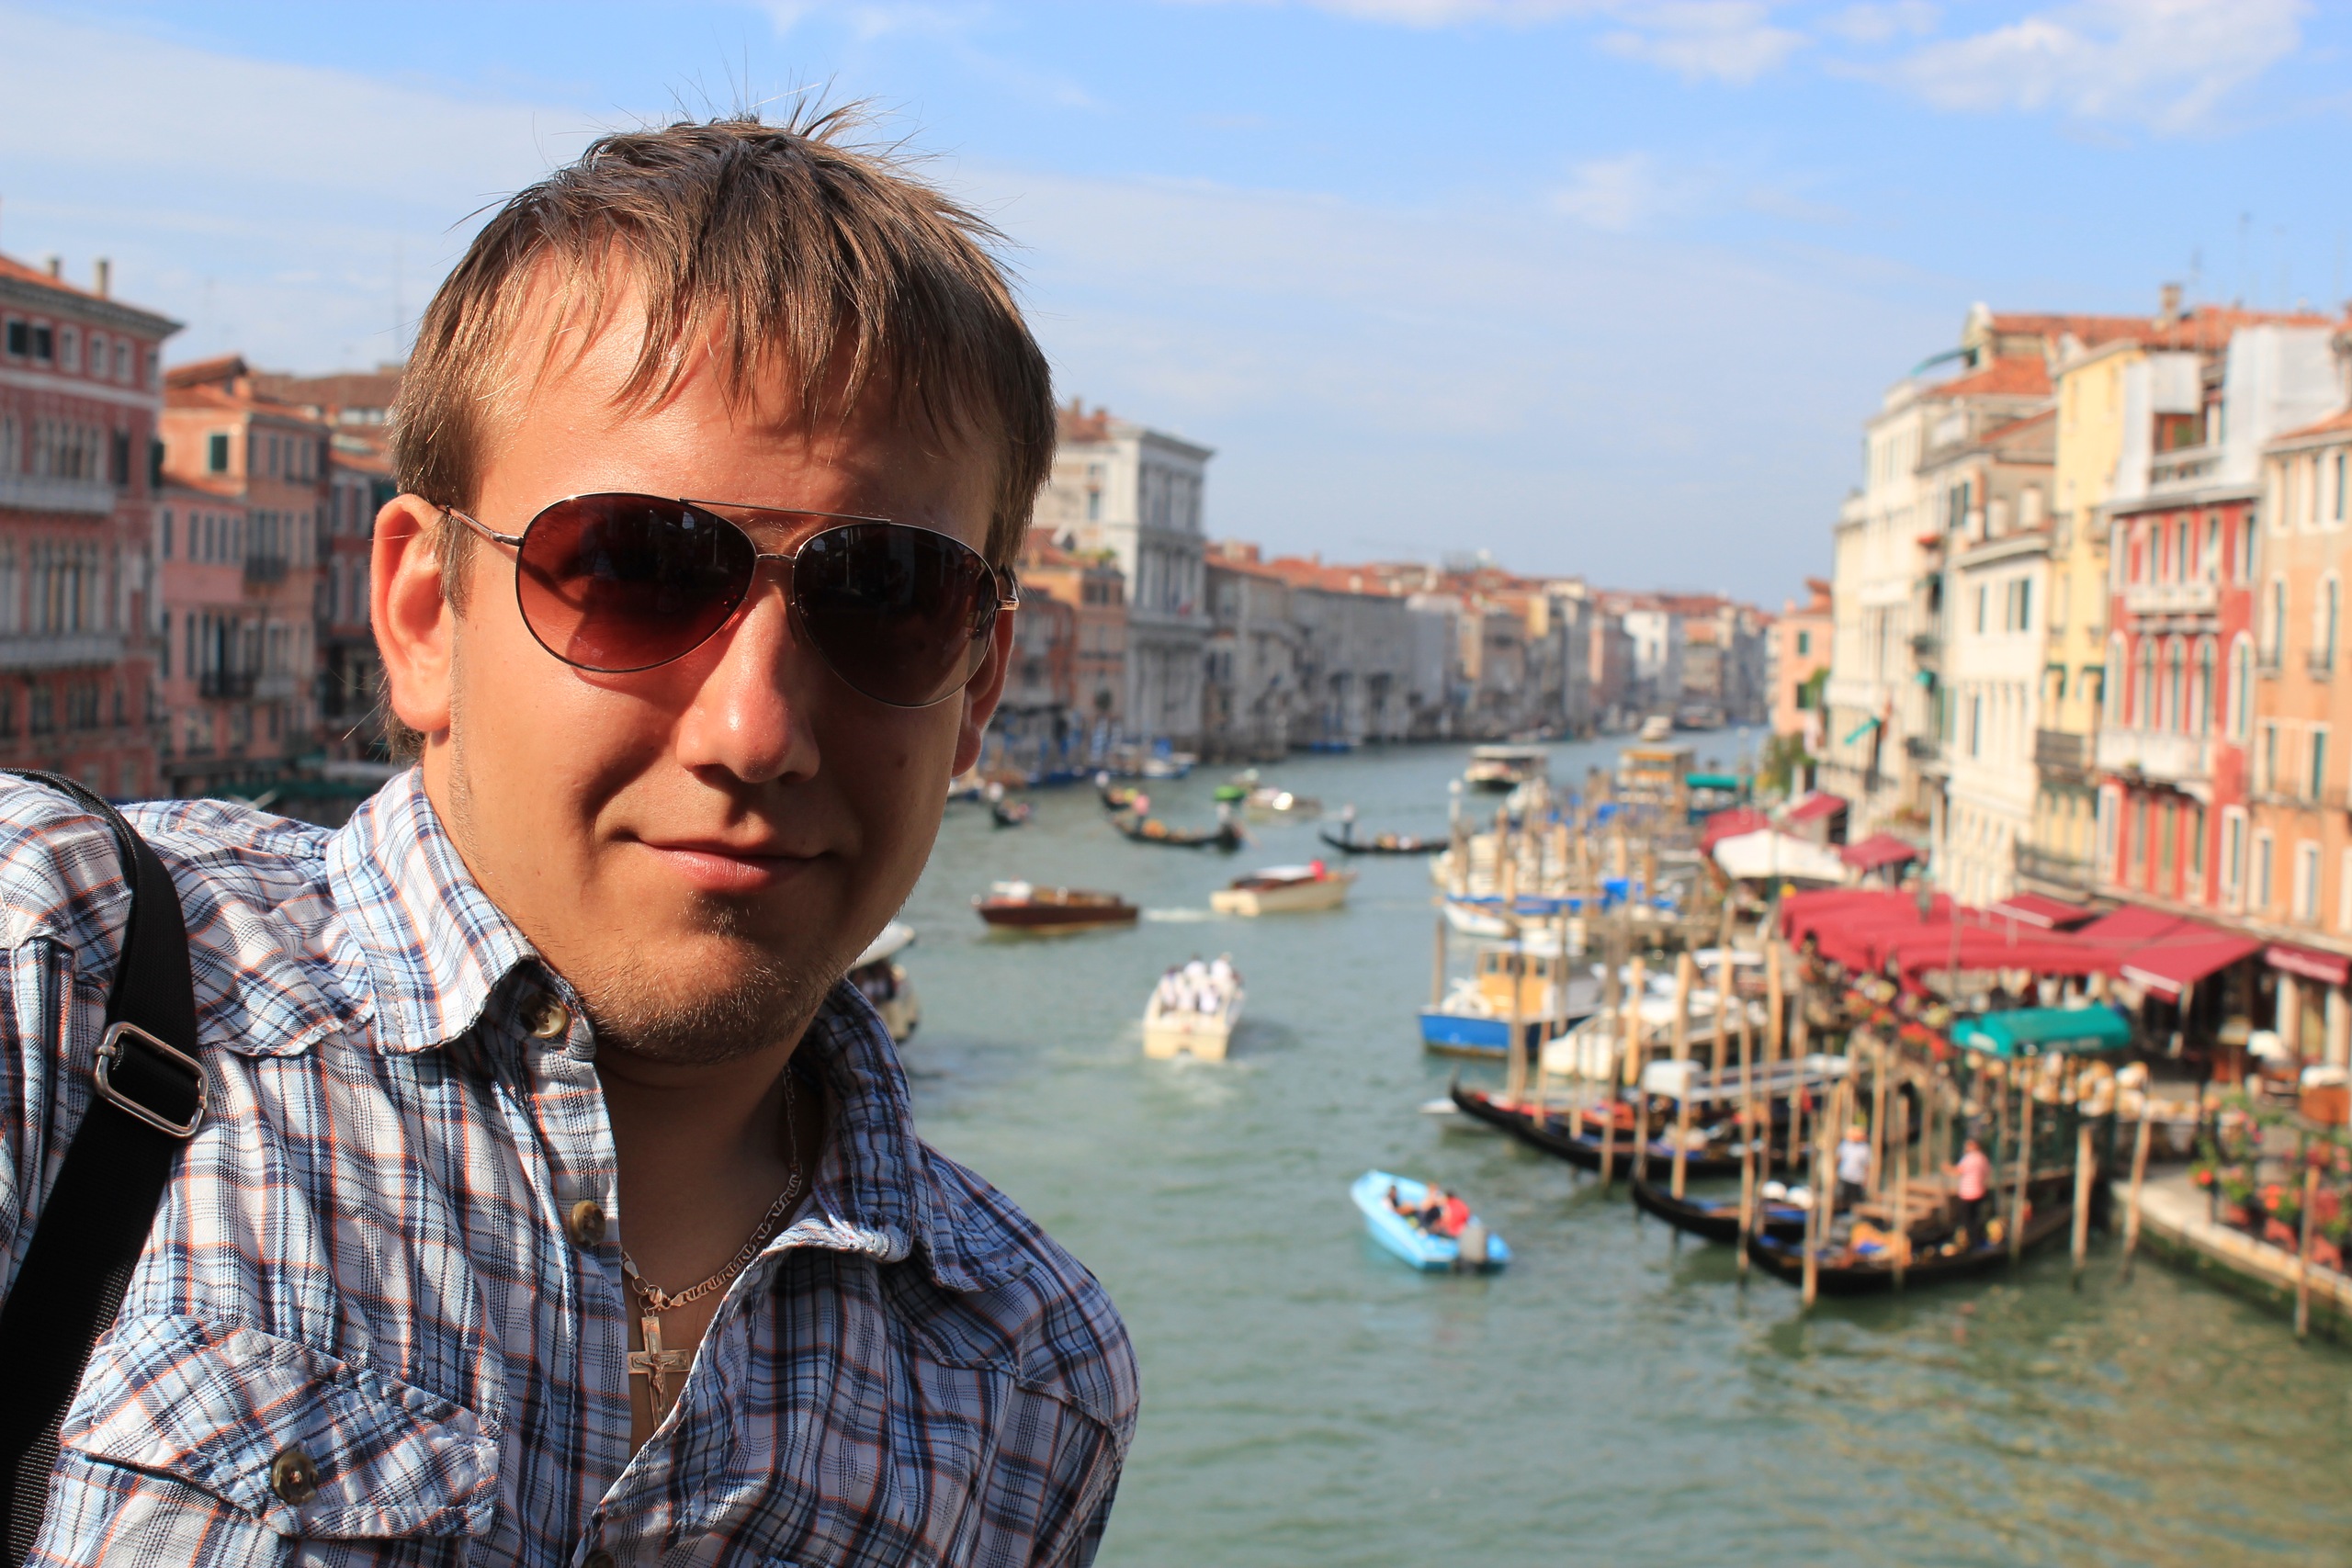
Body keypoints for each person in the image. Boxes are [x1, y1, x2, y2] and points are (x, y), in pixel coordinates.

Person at [0, 113, 1136, 1565]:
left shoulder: (1032, 1378)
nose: (755, 730)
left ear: (975, 682)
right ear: (426, 614)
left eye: (886, 594)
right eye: (637, 567)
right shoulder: (51, 970)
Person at [1951, 1135, 1995, 1247]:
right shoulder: (1982, 1158)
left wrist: (1946, 1168)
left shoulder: (1969, 1158)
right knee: (1976, 1217)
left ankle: (1972, 1242)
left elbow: (1957, 1171)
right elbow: (1987, 1172)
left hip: (1968, 1194)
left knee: (1967, 1220)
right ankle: (1979, 1239)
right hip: (1979, 1192)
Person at [1836, 1123, 1872, 1212]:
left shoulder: (1865, 1148)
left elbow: (1867, 1165)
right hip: (1844, 1176)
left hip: (1857, 1179)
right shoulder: (1845, 1144)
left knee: (1855, 1201)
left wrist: (1866, 1179)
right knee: (1842, 1198)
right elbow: (1838, 1159)